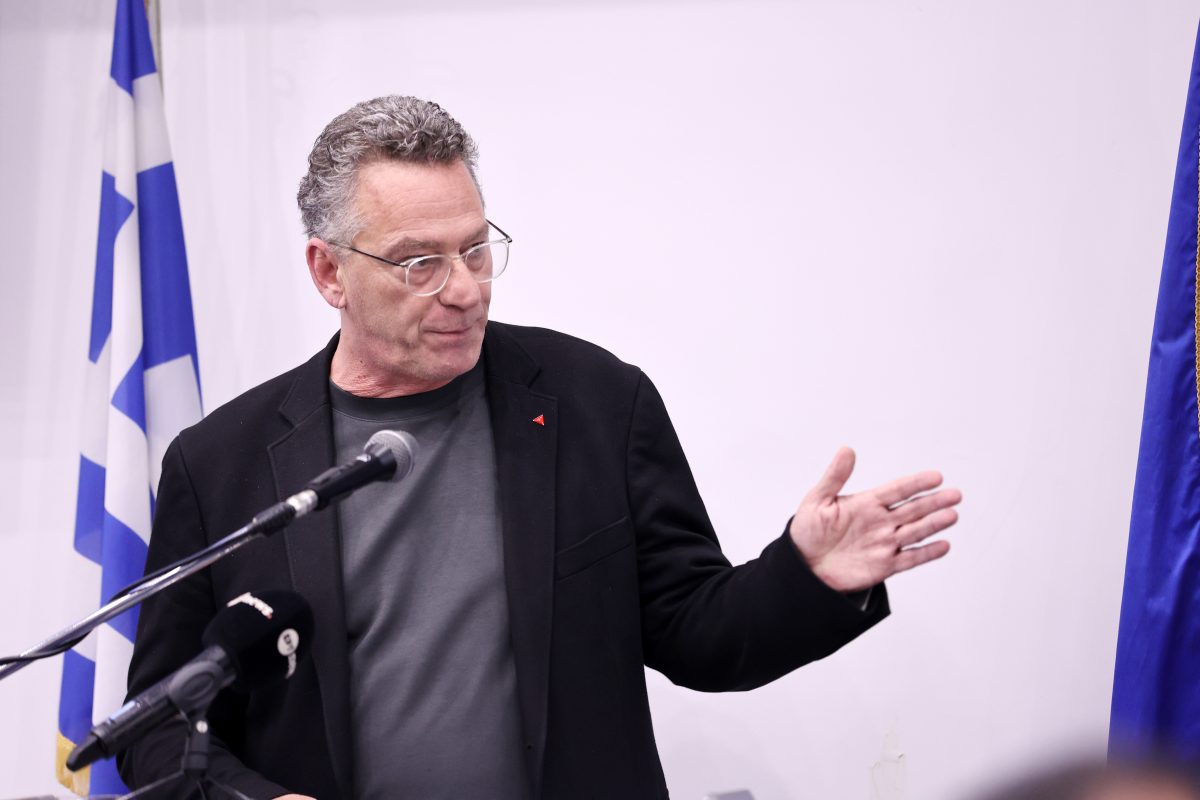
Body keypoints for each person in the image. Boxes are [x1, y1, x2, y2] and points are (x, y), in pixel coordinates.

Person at [117, 95, 962, 800]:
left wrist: (807, 576)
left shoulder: (596, 401)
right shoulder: (221, 463)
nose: (464, 289)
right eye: (419, 264)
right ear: (330, 272)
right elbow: (156, 729)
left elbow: (696, 633)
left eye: (475, 249)